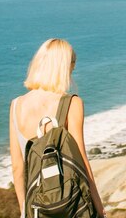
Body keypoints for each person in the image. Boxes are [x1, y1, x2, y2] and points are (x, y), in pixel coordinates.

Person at [9, 38, 106, 217]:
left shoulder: (16, 105)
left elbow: (17, 167)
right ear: (64, 67)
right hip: (72, 207)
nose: (73, 71)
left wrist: (25, 211)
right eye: (72, 65)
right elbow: (81, 160)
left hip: (36, 208)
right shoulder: (72, 103)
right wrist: (100, 210)